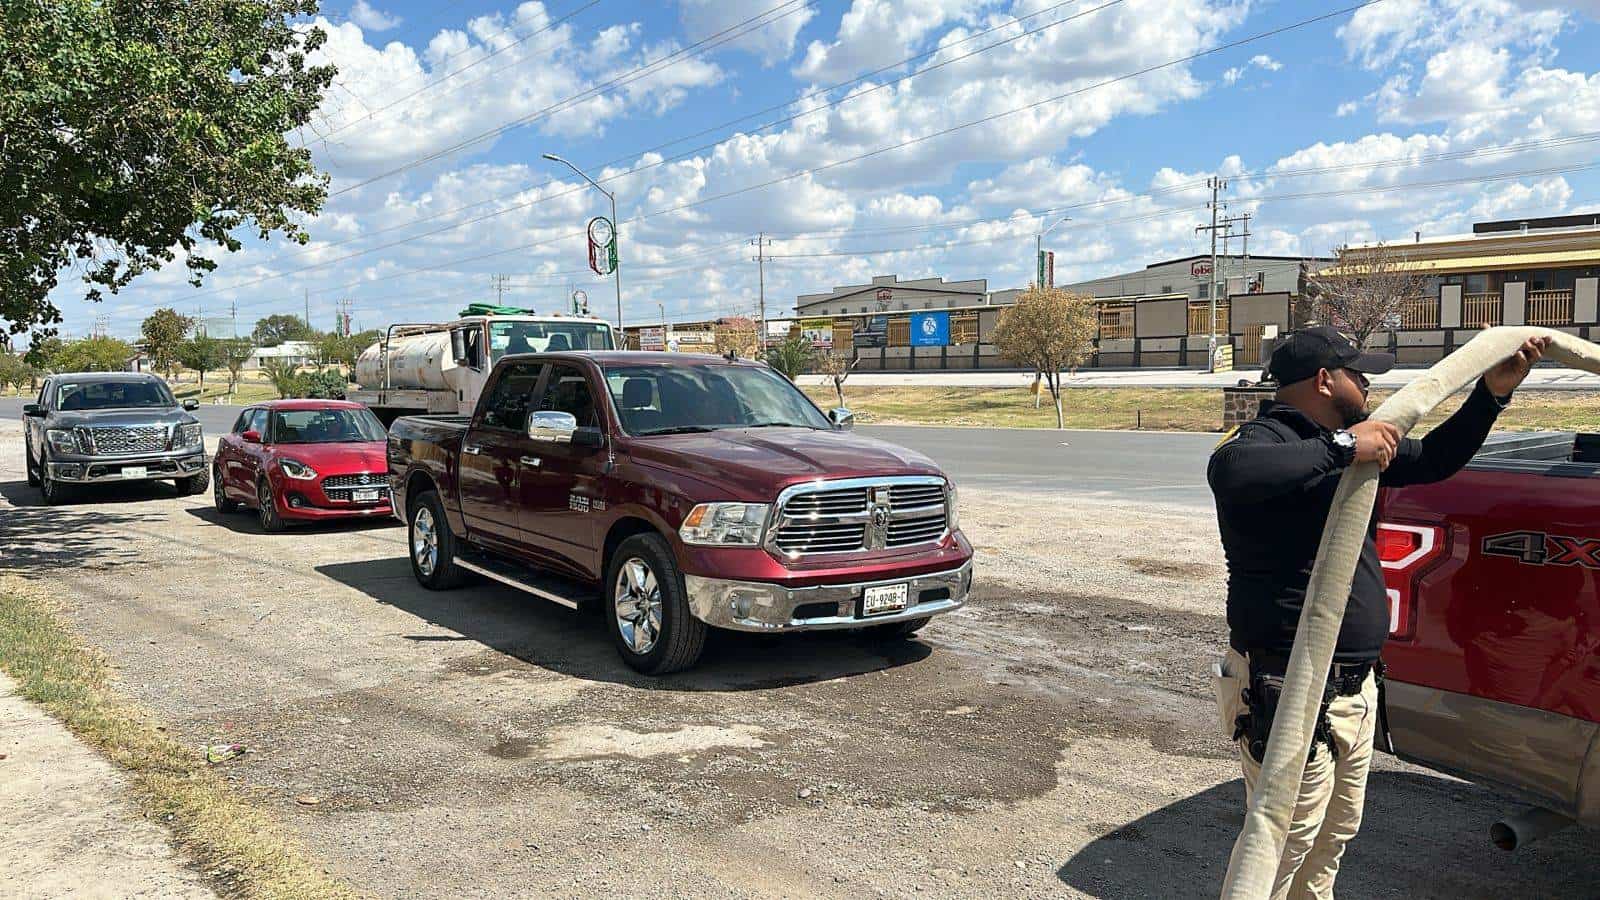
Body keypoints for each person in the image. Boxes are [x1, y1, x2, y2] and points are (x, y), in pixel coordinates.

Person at [1207, 325, 1548, 900]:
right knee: (1283, 841)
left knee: (1333, 836)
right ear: (1322, 380)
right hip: (1289, 688)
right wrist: (1344, 448)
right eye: (1356, 372)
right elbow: (1233, 471)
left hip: (1352, 691)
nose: (1366, 382)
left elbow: (1438, 458)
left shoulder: (1357, 443)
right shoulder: (1268, 439)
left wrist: (1492, 395)